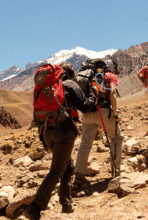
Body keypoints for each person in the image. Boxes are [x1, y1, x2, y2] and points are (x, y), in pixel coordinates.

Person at [24, 62, 97, 220]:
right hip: (63, 133)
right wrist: (93, 94)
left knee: (69, 167)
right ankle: (35, 207)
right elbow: (85, 107)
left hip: (46, 133)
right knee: (56, 171)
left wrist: (44, 141)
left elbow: (38, 113)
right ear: (70, 74)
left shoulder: (44, 87)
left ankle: (66, 204)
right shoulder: (69, 84)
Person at [74, 59, 123, 185]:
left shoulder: (88, 77)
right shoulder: (109, 75)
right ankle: (115, 172)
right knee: (117, 138)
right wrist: (116, 114)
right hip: (102, 112)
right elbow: (112, 93)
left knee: (85, 143)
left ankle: (79, 175)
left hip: (87, 114)